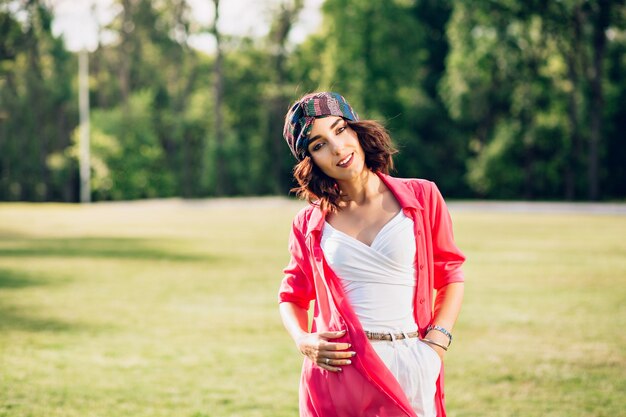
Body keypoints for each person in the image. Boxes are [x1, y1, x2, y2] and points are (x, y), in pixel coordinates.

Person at [278, 92, 465, 417]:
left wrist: (436, 342)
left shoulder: (423, 196)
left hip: (411, 362)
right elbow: (291, 295)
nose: (337, 148)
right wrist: (303, 340)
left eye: (340, 129)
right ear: (311, 161)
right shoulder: (308, 224)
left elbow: (450, 273)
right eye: (318, 145)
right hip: (338, 372)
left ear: (357, 130)